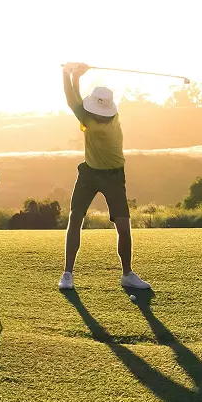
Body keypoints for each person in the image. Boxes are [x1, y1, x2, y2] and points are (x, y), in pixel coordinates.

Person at [59, 63, 151, 292]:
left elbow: (73, 101)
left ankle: (127, 274)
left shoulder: (94, 123)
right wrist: (75, 76)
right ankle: (67, 273)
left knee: (123, 225)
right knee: (75, 218)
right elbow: (77, 102)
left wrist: (68, 74)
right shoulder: (105, 116)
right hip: (89, 172)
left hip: (113, 177)